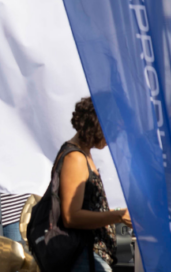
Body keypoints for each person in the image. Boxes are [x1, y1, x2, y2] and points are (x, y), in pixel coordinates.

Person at [54, 97, 129, 271]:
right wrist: (118, 216)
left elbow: (89, 208)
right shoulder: (75, 158)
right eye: (111, 130)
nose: (112, 138)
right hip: (85, 255)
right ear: (97, 125)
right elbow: (71, 217)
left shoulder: (81, 154)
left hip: (91, 254)